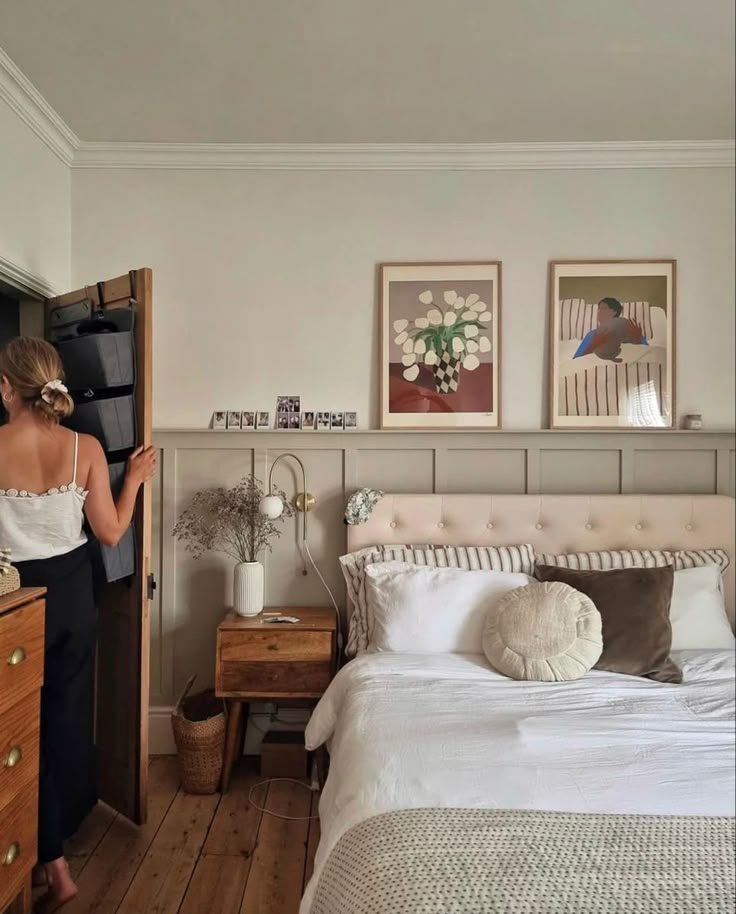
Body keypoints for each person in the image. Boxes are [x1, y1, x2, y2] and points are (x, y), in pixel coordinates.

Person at [0, 337, 156, 913]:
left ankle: (51, 864)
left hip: (16, 602)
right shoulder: (84, 447)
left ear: (5, 388)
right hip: (74, 598)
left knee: (19, 733)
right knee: (60, 724)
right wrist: (133, 476)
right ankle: (50, 853)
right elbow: (112, 532)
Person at [573, 297, 647, 362]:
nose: (599, 312)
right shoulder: (592, 335)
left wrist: (638, 339)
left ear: (614, 312)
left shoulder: (632, 331)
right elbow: (575, 362)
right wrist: (594, 344)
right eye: (599, 309)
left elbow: (648, 356)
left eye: (604, 309)